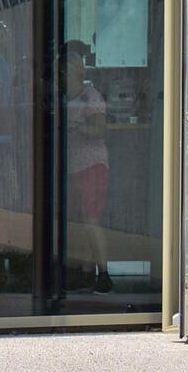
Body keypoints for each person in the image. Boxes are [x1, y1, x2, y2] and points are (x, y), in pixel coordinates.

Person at [64, 39, 114, 294]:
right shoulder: (66, 98)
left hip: (91, 164)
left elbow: (99, 129)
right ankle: (83, 272)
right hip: (72, 166)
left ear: (77, 71)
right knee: (77, 220)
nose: (62, 76)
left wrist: (76, 127)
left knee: (91, 218)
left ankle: (103, 274)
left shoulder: (90, 96)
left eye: (66, 70)